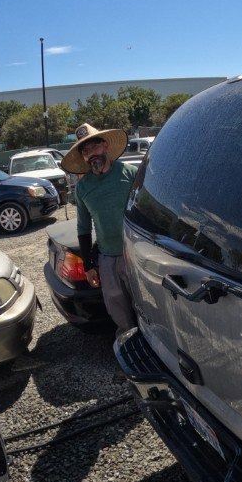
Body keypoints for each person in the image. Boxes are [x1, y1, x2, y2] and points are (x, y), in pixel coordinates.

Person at [60, 123, 137, 333]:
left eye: (94, 146)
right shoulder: (83, 188)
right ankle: (129, 341)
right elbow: (83, 228)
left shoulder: (130, 173)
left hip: (136, 254)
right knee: (117, 308)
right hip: (107, 258)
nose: (91, 154)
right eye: (85, 151)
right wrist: (88, 265)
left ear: (105, 146)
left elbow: (146, 210)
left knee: (147, 304)